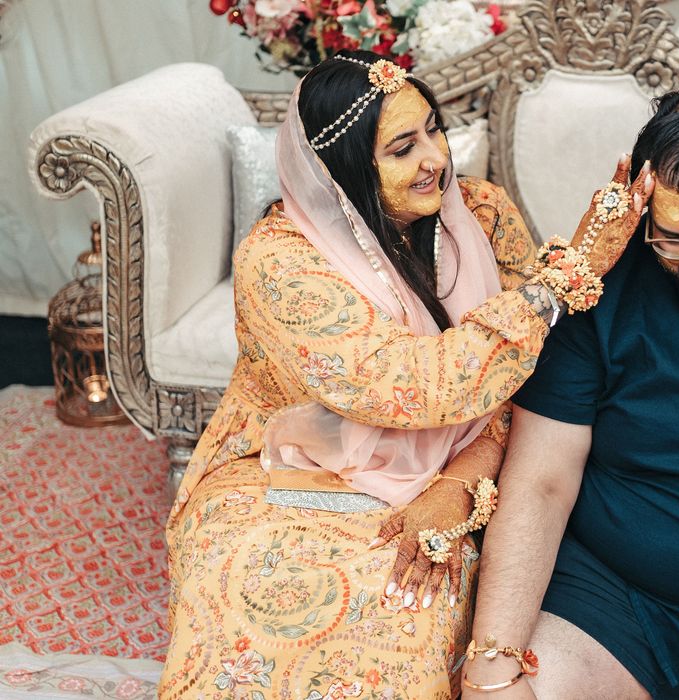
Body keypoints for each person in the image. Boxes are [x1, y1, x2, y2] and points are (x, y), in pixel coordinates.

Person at [157, 50, 651, 699]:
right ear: (343, 168)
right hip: (290, 463)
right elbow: (414, 386)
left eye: (434, 130)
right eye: (401, 148)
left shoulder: (479, 210)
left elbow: (530, 365)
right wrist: (562, 277)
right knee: (255, 601)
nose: (436, 160)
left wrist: (461, 481)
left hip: (450, 465)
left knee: (402, 611)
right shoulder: (277, 263)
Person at [463, 88, 679, 700]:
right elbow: (542, 481)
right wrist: (492, 666)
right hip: (626, 604)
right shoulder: (597, 290)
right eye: (673, 241)